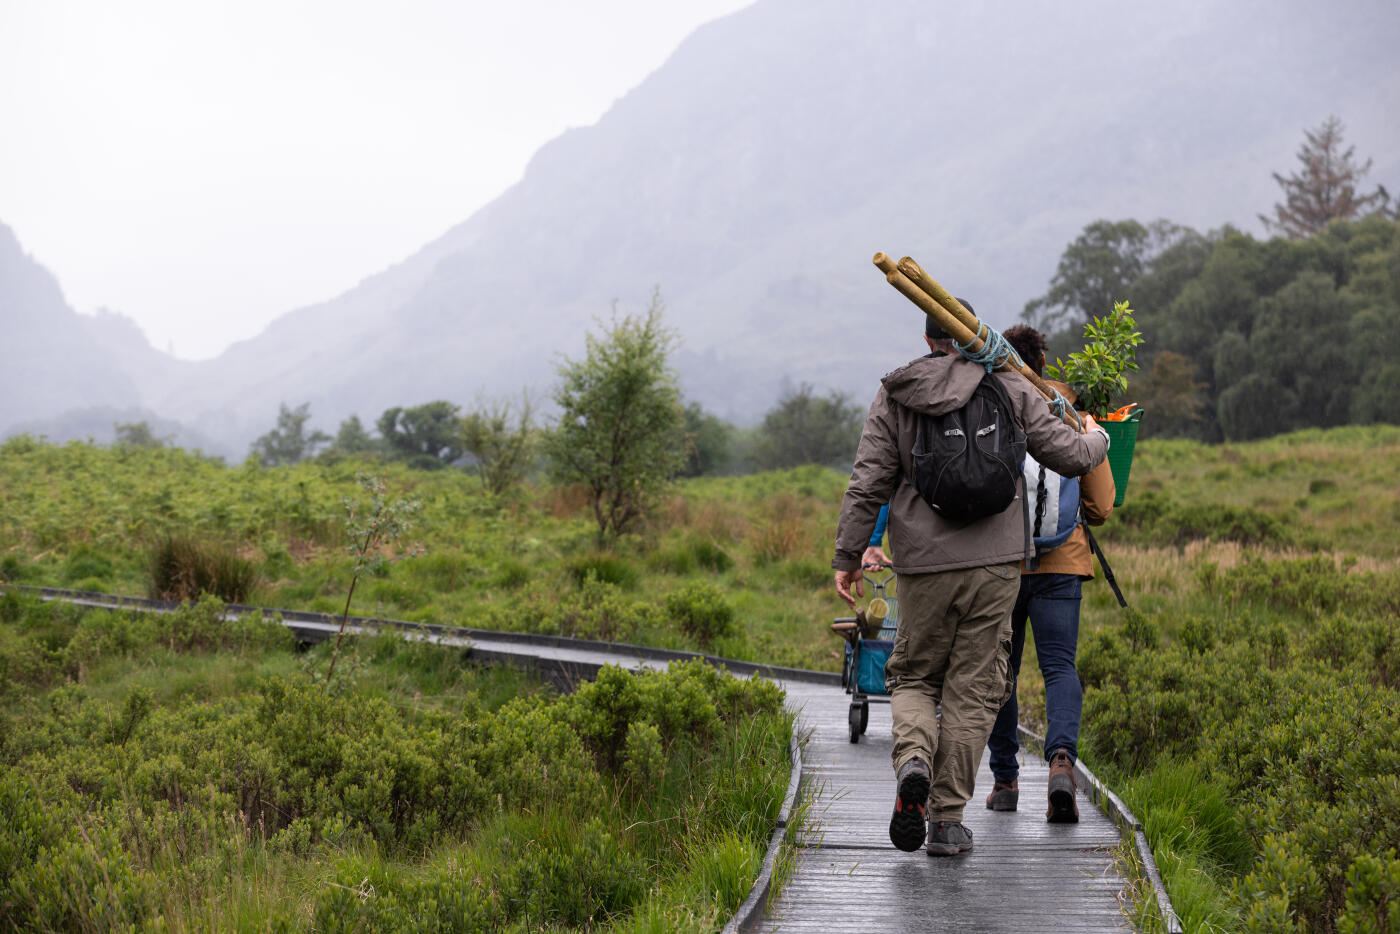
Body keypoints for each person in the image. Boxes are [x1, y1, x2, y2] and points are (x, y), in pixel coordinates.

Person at [832, 305, 1109, 856]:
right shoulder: (1008, 383)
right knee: (974, 691)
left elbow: (867, 483)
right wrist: (1097, 436)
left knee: (913, 678)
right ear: (972, 337)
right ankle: (946, 820)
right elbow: (1070, 455)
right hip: (997, 565)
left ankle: (912, 759)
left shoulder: (897, 392)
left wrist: (847, 555)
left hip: (923, 566)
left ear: (928, 338)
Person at [984, 325, 1116, 823]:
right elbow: (1101, 506)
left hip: (1005, 562)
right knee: (1060, 667)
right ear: (1044, 363)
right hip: (1064, 563)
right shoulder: (1076, 419)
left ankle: (1005, 780)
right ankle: (1061, 763)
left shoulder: (997, 413)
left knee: (1004, 671)